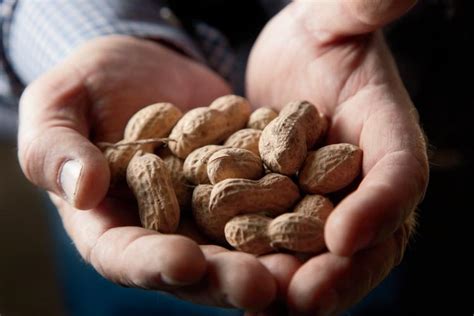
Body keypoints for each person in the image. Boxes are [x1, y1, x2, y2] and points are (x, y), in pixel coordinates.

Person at [0, 0, 429, 315]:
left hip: (405, 138)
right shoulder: (163, 160)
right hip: (138, 242)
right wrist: (82, 31)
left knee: (371, 266)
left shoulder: (279, 157)